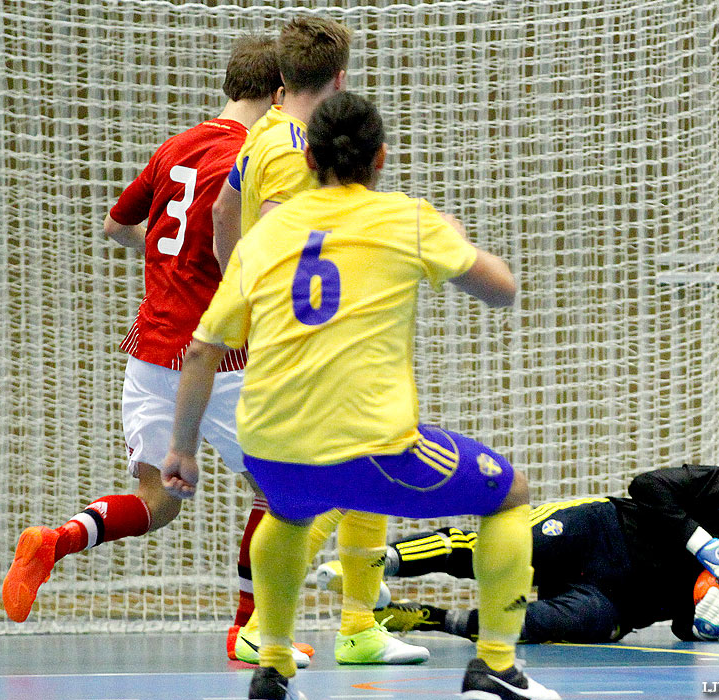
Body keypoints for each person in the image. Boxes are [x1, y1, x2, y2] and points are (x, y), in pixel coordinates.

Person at [162, 91, 560, 700]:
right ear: (379, 158)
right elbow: (502, 291)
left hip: (273, 450)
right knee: (510, 495)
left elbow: (202, 351)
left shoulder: (264, 238)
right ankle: (497, 669)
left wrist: (182, 451)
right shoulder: (406, 218)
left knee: (288, 513)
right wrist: (458, 237)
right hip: (374, 451)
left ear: (310, 157)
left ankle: (272, 668)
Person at [0, 35, 319, 667]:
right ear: (279, 94)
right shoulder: (253, 156)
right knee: (285, 490)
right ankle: (250, 631)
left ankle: (55, 541)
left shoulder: (176, 145)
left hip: (148, 353)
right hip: (217, 356)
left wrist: (164, 254)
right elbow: (243, 239)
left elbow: (118, 226)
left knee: (159, 503)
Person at [209, 16, 418, 669]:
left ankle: (354, 625)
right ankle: (268, 626)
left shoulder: (264, 129)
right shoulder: (290, 149)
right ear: (340, 78)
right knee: (338, 482)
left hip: (292, 341)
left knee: (373, 465)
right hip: (304, 347)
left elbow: (222, 213)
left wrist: (234, 287)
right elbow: (280, 235)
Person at [337, 464, 719, 644]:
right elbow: (647, 487)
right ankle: (372, 563)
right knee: (500, 550)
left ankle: (416, 618)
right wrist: (706, 545)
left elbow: (685, 629)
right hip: (604, 529)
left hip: (618, 603)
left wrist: (711, 627)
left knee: (532, 626)